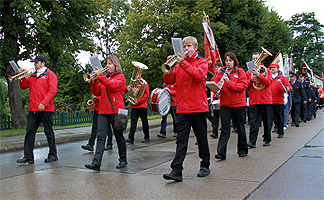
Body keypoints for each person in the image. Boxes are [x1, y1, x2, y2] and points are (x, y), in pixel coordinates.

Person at [163, 36, 210, 182]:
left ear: (195, 48)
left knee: (201, 138)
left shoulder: (202, 62)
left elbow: (198, 76)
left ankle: (205, 165)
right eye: (184, 47)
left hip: (197, 107)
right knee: (181, 140)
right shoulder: (178, 65)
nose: (185, 49)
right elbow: (168, 81)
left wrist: (182, 62)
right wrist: (168, 67)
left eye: (188, 46)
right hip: (182, 107)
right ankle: (176, 170)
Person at [85, 56, 127, 171]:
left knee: (119, 136)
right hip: (103, 111)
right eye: (106, 64)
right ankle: (96, 163)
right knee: (101, 137)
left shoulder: (120, 77)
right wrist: (93, 81)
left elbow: (112, 86)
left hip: (116, 111)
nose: (107, 66)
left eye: (110, 64)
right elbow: (96, 92)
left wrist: (100, 76)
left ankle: (123, 159)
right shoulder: (104, 78)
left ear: (115, 65)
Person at [16, 55, 58, 164]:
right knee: (29, 131)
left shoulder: (50, 75)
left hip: (46, 108)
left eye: (36, 62)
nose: (34, 64)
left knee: (48, 131)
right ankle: (28, 156)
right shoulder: (32, 75)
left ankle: (53, 154)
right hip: (33, 108)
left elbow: (52, 91)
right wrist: (22, 78)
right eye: (34, 63)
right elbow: (24, 86)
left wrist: (44, 103)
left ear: (43, 63)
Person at [212, 52, 249, 160]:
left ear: (234, 61)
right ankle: (221, 153)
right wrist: (217, 88)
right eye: (226, 60)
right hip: (225, 104)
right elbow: (214, 85)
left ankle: (242, 150)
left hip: (238, 104)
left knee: (240, 127)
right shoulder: (221, 72)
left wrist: (229, 82)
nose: (228, 63)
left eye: (230, 60)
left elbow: (242, 86)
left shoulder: (240, 71)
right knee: (224, 128)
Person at [246, 52, 273, 148]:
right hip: (254, 100)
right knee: (253, 122)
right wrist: (251, 80)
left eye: (257, 58)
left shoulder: (266, 70)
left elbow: (269, 82)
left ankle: (267, 139)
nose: (255, 60)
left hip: (265, 99)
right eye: (253, 58)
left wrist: (259, 75)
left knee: (267, 121)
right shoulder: (249, 72)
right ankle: (252, 142)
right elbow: (245, 84)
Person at [269, 63, 292, 138]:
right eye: (271, 68)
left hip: (279, 101)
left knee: (280, 117)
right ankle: (274, 129)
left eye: (274, 67)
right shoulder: (268, 77)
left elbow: (289, 87)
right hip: (269, 101)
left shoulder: (282, 78)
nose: (272, 69)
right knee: (270, 117)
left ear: (277, 69)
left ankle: (280, 131)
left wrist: (287, 88)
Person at [125, 79, 150, 144]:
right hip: (134, 106)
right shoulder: (133, 83)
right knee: (133, 123)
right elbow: (129, 93)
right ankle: (131, 138)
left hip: (142, 105)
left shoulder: (144, 83)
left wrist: (138, 101)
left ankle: (146, 137)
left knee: (144, 122)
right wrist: (129, 90)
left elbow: (146, 94)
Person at [210, 61, 223, 139]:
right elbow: (212, 89)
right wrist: (211, 98)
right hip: (216, 98)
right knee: (216, 117)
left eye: (219, 67)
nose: (217, 69)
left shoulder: (224, 76)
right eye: (216, 67)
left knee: (223, 116)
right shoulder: (213, 78)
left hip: (223, 98)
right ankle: (215, 132)